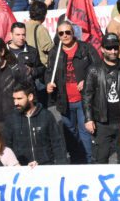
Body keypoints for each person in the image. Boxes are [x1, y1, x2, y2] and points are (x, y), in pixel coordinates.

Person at [45, 21, 98, 163]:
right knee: (70, 132)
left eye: (68, 32)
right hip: (64, 100)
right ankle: (76, 160)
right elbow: (49, 72)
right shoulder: (55, 52)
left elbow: (98, 68)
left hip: (83, 100)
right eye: (61, 33)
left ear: (73, 32)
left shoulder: (85, 48)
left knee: (84, 131)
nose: (65, 35)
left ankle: (88, 160)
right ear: (58, 35)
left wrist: (87, 80)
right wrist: (48, 84)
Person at [82, 33, 120, 164]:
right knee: (101, 158)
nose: (113, 51)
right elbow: (87, 95)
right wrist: (89, 119)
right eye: (109, 48)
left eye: (116, 48)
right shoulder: (93, 70)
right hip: (102, 122)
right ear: (102, 49)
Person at [2, 83, 68, 166]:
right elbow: (6, 147)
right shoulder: (11, 119)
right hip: (22, 168)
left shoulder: (46, 115)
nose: (15, 103)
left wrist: (61, 166)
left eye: (19, 99)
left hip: (45, 167)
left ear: (30, 97)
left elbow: (58, 143)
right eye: (14, 99)